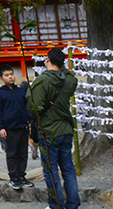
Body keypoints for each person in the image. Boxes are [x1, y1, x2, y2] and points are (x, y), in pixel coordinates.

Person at [28, 48, 80, 209]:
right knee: (68, 169)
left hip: (49, 130)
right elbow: (70, 75)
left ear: (47, 60)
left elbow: (33, 106)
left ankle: (56, 204)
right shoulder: (69, 80)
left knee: (51, 171)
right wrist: (59, 64)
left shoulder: (42, 80)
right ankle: (73, 203)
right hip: (66, 128)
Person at [0, 65, 33, 191]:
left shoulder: (21, 91)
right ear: (1, 78)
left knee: (23, 153)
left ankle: (22, 175)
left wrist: (29, 120)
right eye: (7, 75)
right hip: (10, 127)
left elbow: (26, 107)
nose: (10, 77)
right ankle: (13, 177)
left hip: (23, 125)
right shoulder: (0, 94)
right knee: (12, 153)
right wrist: (1, 127)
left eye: (11, 74)